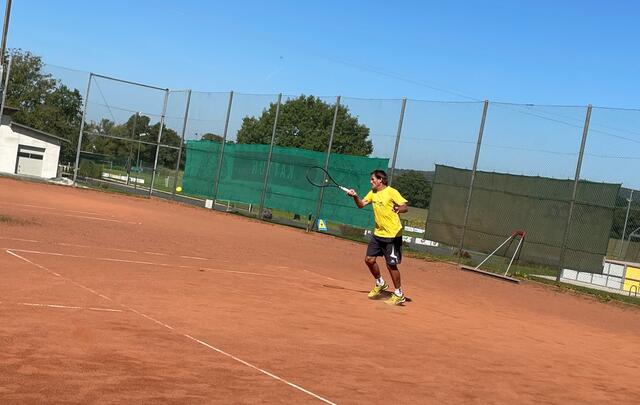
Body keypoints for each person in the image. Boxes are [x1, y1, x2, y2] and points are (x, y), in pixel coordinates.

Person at [347, 169, 409, 305]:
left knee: (391, 265)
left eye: (373, 179)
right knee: (369, 260)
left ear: (380, 180)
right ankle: (380, 283)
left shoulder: (391, 192)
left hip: (393, 235)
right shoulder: (373, 193)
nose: (371, 182)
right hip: (378, 234)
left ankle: (399, 293)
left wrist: (399, 209)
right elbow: (361, 205)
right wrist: (355, 196)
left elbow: (405, 206)